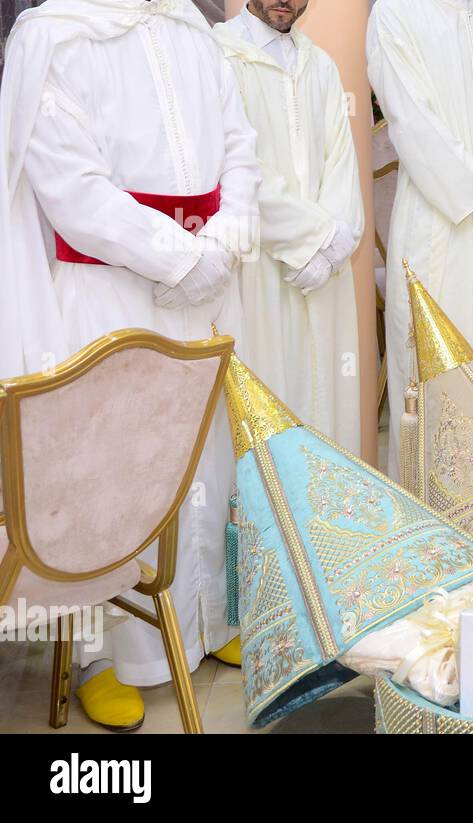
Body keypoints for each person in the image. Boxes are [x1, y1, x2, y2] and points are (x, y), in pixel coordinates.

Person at [0, 0, 260, 730]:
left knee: (198, 459)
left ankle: (202, 619)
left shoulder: (192, 31)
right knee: (110, 468)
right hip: (110, 293)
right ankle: (102, 655)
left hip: (202, 280)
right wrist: (179, 257)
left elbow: (241, 147)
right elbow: (72, 190)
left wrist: (224, 239)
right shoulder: (53, 33)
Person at [367, 0, 473, 475]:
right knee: (438, 379)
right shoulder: (394, 13)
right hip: (438, 222)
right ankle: (439, 518)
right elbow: (411, 120)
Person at [214, 0, 365, 453]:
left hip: (326, 268)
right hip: (258, 261)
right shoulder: (219, 54)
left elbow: (342, 161)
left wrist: (336, 245)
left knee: (328, 410)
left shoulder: (319, 63)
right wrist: (311, 240)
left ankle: (330, 523)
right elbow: (236, 169)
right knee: (268, 397)